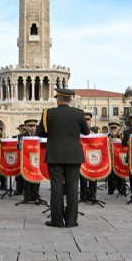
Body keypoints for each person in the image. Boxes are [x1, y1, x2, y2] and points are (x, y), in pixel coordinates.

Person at [36, 88, 90, 228]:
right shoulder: (78, 114)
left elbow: (41, 132)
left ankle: (57, 221)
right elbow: (86, 131)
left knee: (56, 188)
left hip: (55, 155)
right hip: (73, 155)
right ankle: (72, 220)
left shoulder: (48, 113)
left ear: (58, 99)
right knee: (72, 187)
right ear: (70, 100)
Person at [18, 119, 42, 202]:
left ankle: (36, 195)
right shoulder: (21, 136)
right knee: (27, 178)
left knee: (37, 177)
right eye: (30, 126)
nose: (32, 128)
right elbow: (19, 147)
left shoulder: (39, 135)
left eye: (33, 126)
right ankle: (27, 196)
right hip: (26, 160)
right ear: (26, 127)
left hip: (36, 159)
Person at [79, 112, 100, 202]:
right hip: (82, 156)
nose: (86, 122)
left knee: (93, 176)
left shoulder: (96, 130)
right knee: (83, 177)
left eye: (88, 120)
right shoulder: (78, 130)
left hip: (92, 156)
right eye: (85, 120)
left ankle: (92, 195)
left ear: (91, 122)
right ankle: (84, 195)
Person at [107, 122, 124, 195]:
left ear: (118, 129)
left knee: (120, 174)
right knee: (111, 175)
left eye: (115, 128)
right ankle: (111, 190)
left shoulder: (121, 136)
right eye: (112, 128)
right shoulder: (107, 136)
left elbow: (124, 144)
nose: (113, 129)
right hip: (111, 158)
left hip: (119, 158)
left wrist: (117, 138)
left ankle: (121, 189)